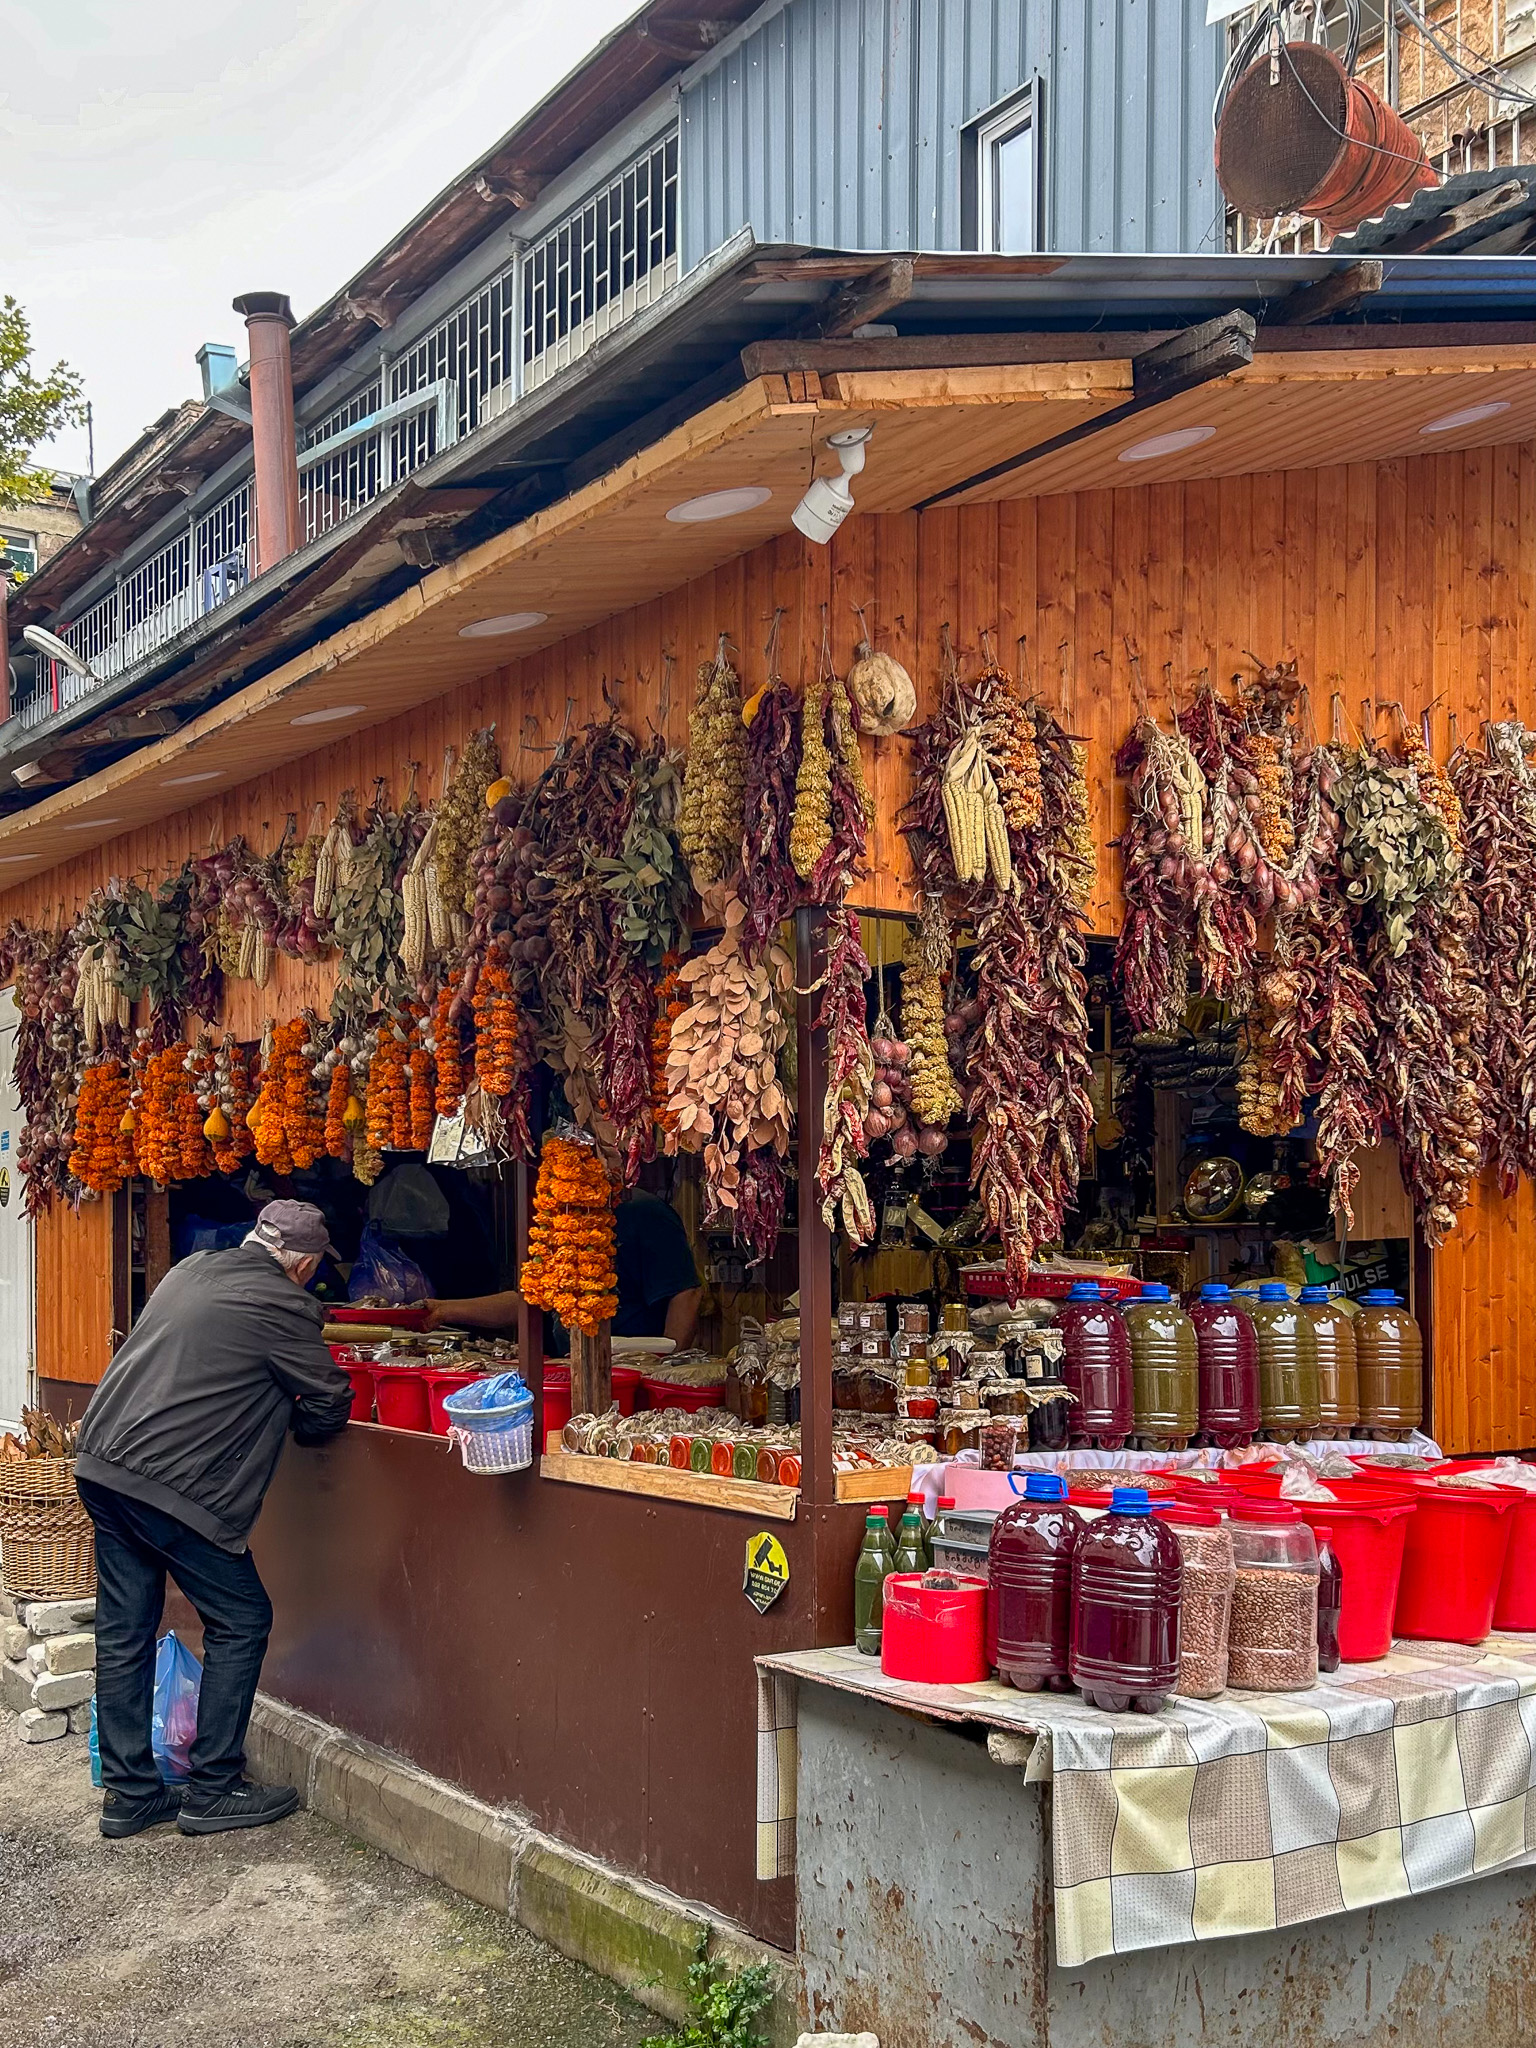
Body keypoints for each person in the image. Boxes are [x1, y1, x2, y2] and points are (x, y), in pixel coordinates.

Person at [75, 1200, 354, 1841]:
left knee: (125, 1631)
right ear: (305, 1265)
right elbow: (329, 1396)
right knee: (242, 1617)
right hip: (171, 1486)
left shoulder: (191, 1268)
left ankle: (130, 1796)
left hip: (103, 1463)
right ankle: (213, 1788)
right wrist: (303, 1428)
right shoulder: (285, 1304)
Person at [427, 1188, 702, 1348]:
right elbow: (529, 1301)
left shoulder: (643, 1212)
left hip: (636, 1367)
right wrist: (442, 1310)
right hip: (573, 1363)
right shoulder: (558, 1221)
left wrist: (667, 1369)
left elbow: (685, 1294)